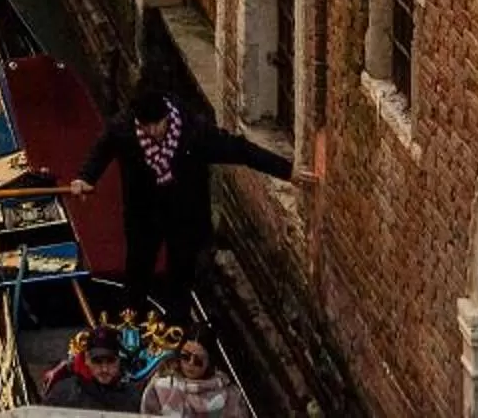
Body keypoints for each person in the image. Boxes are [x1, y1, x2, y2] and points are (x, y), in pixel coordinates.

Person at [68, 82, 291, 314]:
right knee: (138, 270)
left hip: (184, 215)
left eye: (157, 124)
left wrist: (287, 171)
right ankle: (133, 321)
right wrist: (86, 177)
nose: (153, 132)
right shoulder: (123, 129)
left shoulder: (194, 132)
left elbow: (240, 150)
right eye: (146, 127)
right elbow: (102, 150)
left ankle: (178, 327)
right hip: (143, 214)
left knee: (181, 277)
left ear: (167, 116)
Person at [141, 333, 244, 413]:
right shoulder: (161, 385)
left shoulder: (230, 396)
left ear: (209, 363)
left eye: (198, 360)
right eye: (186, 356)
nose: (191, 363)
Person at [42, 325, 123, 398]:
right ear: (87, 359)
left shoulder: (132, 393)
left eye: (110, 361)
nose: (104, 369)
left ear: (119, 360)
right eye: (97, 361)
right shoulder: (63, 391)